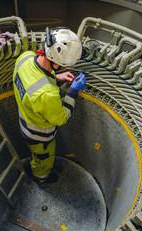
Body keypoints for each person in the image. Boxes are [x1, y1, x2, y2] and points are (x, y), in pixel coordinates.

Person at [13, 27, 86, 183]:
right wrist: (73, 91)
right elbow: (61, 118)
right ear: (57, 64)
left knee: (38, 154)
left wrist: (57, 77)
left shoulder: (25, 58)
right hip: (39, 135)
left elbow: (36, 77)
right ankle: (41, 177)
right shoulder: (48, 95)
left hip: (25, 120)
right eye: (64, 66)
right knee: (43, 158)